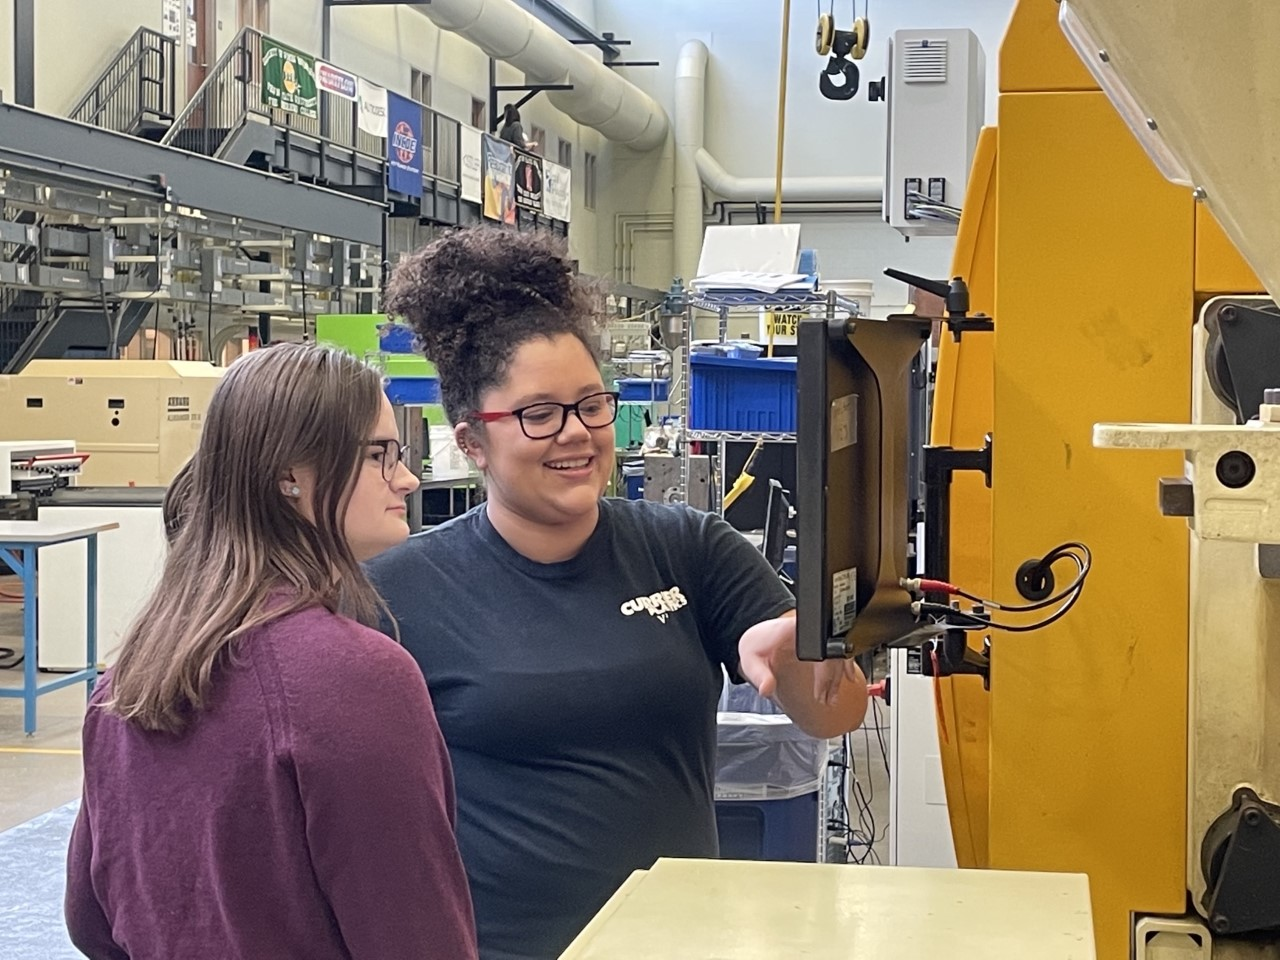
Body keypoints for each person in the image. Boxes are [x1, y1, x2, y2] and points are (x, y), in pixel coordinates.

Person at [367, 226, 869, 960]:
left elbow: (835, 715)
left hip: (682, 945)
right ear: (473, 441)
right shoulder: (398, 594)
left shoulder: (688, 548)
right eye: (539, 414)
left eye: (591, 404)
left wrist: (804, 653)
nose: (576, 433)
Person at [65, 343, 478, 960]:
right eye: (379, 454)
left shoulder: (131, 675)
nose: (406, 477)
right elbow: (418, 940)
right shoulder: (356, 678)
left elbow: (90, 921)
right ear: (291, 475)